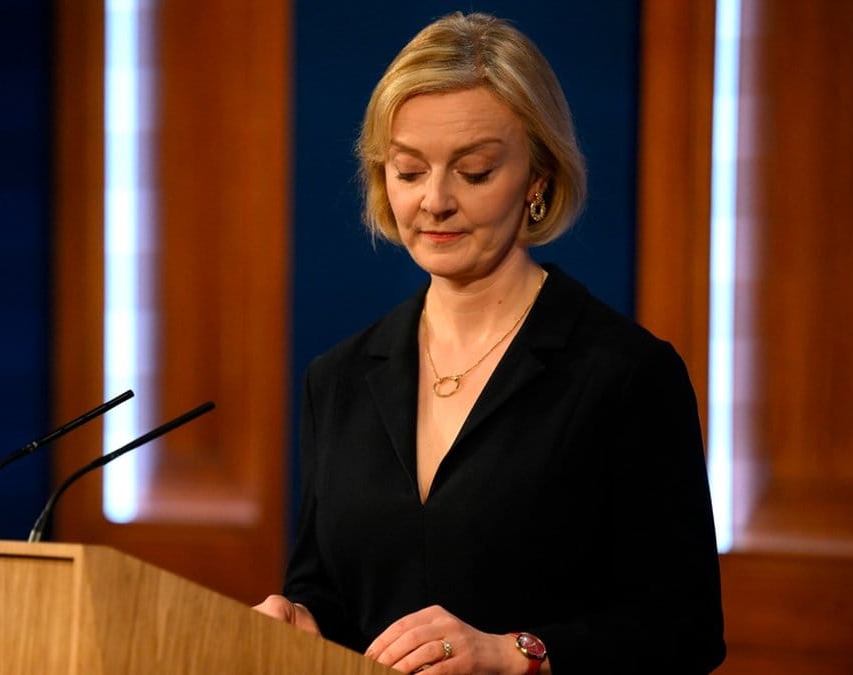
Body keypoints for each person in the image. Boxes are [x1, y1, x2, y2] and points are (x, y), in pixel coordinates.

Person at [254, 11, 725, 674]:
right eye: (409, 171)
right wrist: (301, 621)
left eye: (473, 172)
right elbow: (329, 591)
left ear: (538, 178)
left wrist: (515, 654)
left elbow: (685, 629)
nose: (435, 201)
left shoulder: (627, 375)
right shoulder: (337, 378)